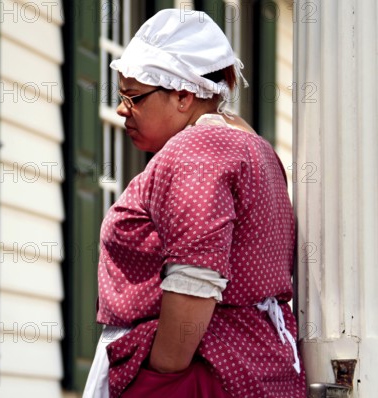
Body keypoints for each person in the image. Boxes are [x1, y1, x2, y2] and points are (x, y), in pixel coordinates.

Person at [82, 9, 307, 398]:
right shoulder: (253, 147)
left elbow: (195, 277)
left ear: (184, 95)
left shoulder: (197, 150)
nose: (122, 109)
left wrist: (160, 377)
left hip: (198, 370)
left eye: (133, 97)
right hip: (256, 365)